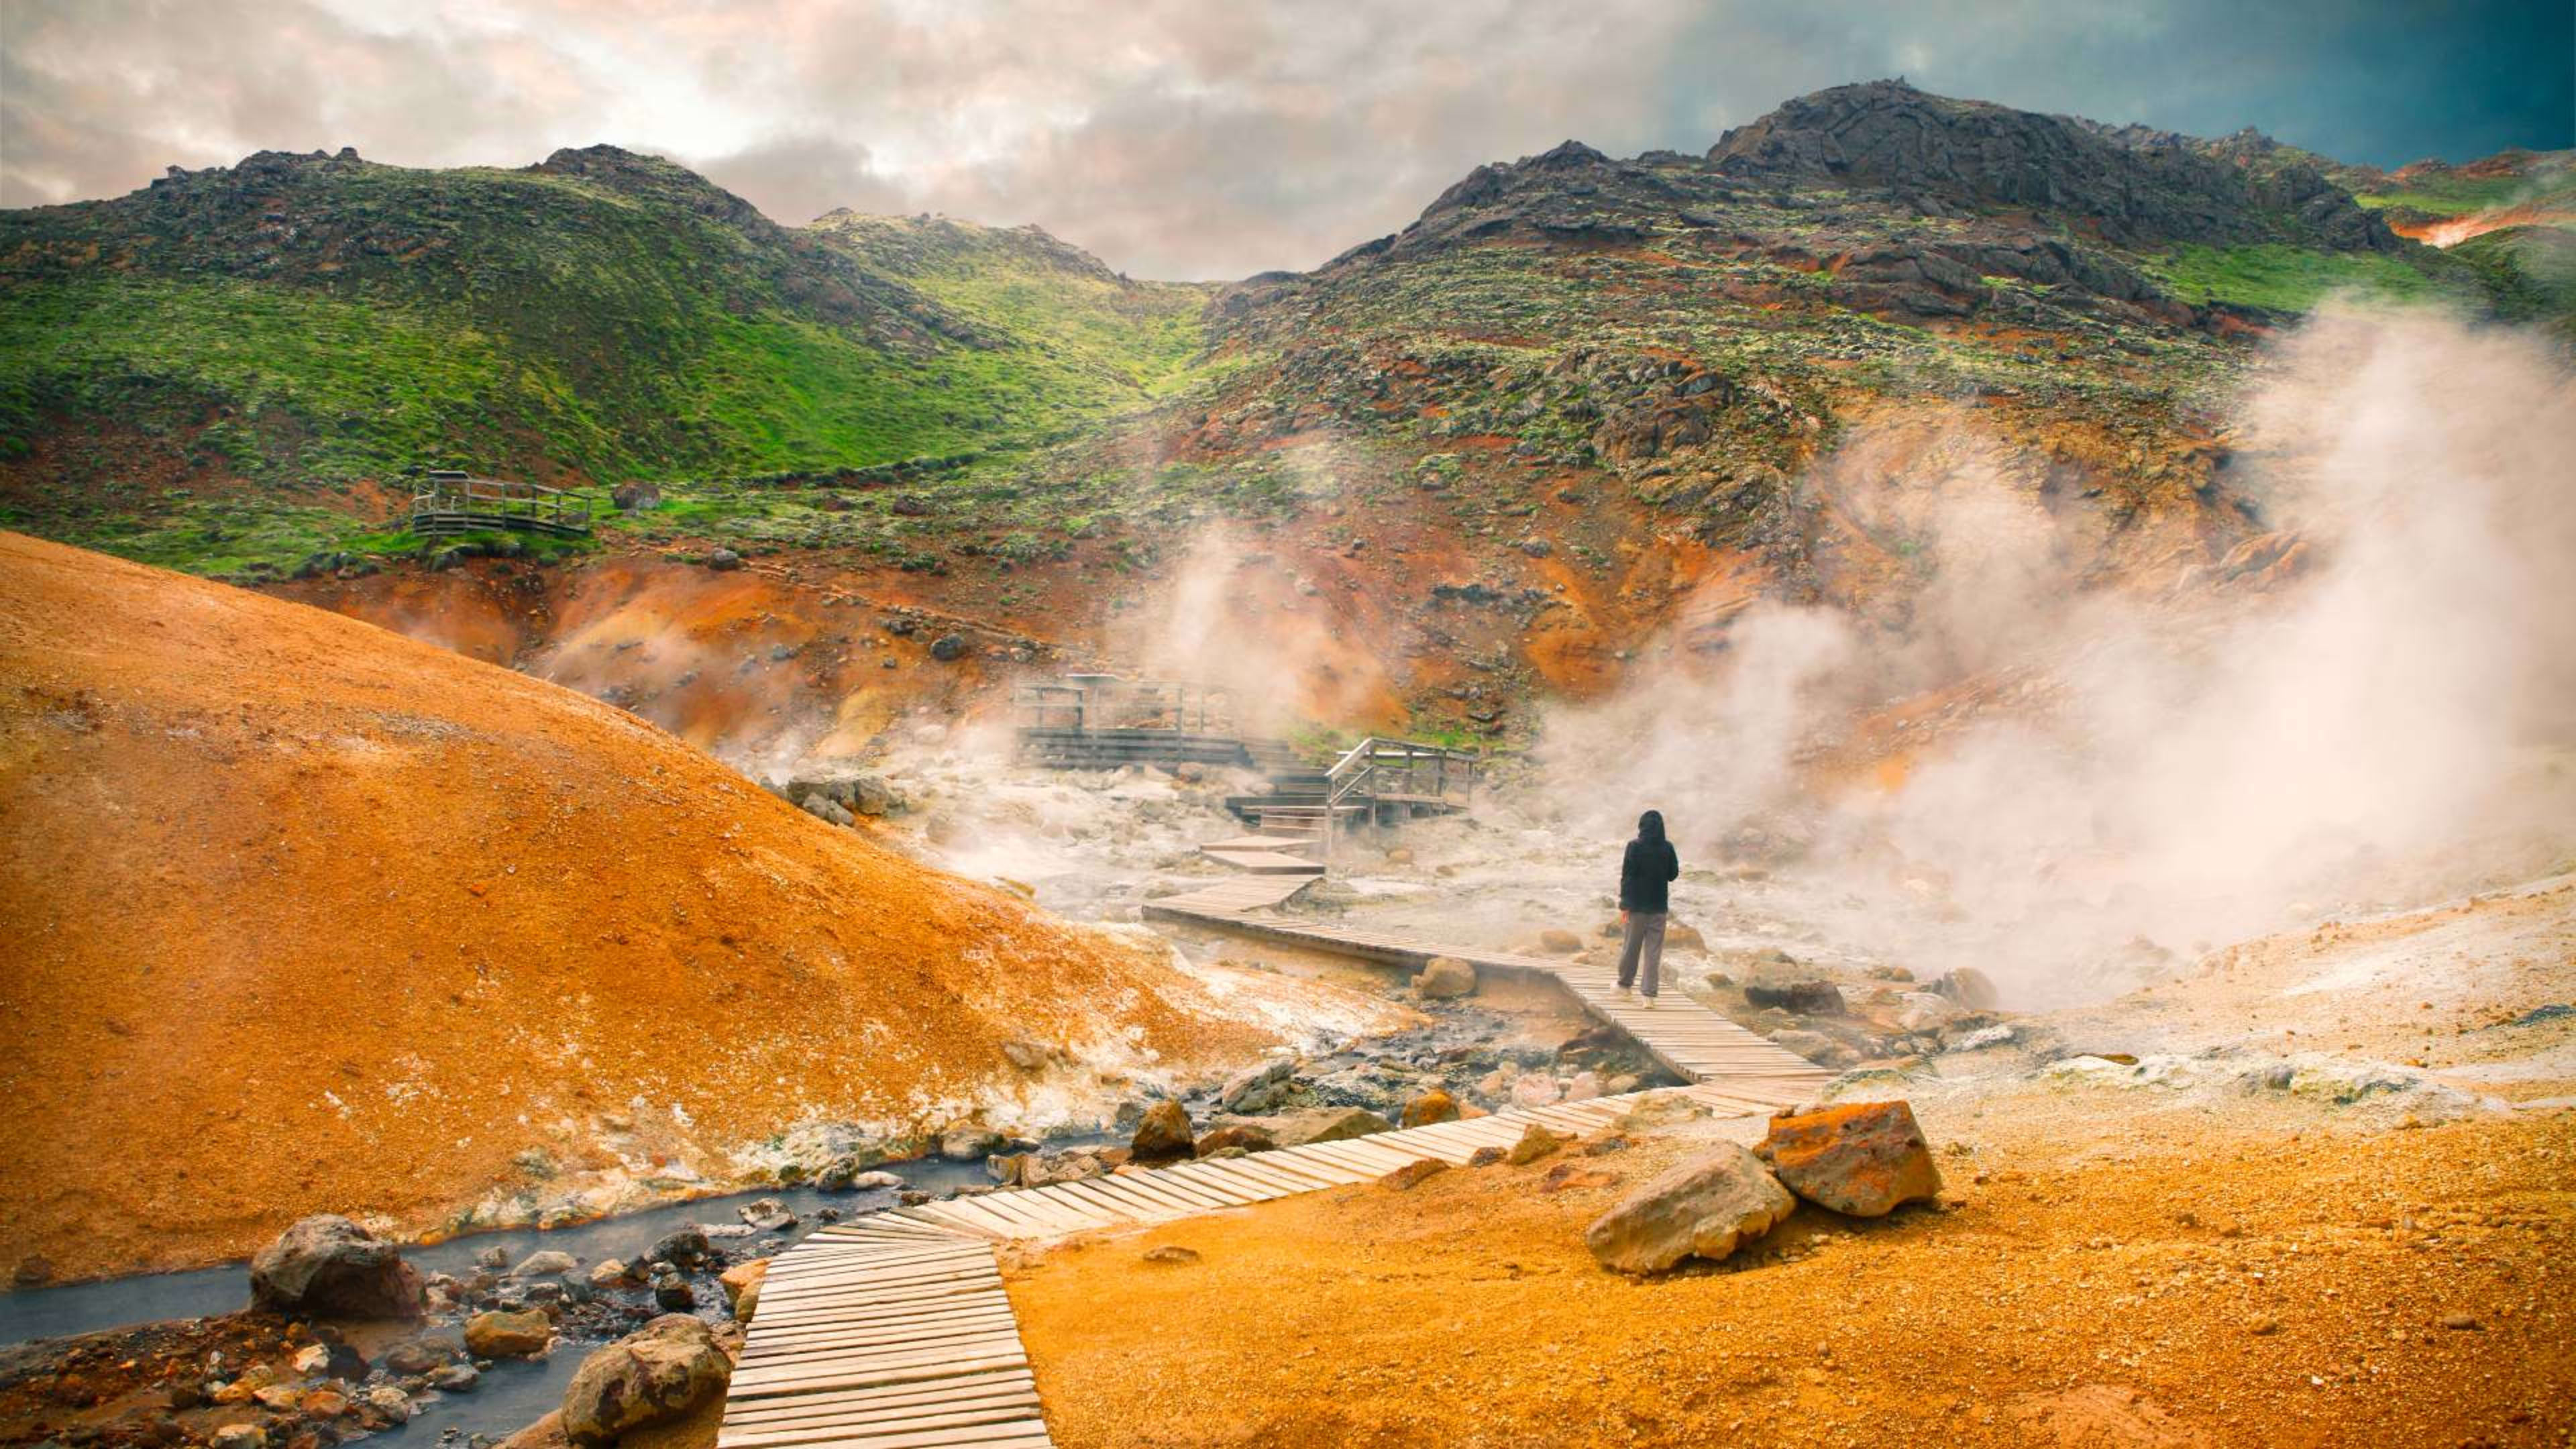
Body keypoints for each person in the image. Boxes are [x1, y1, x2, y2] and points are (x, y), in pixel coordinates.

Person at [1615, 809, 1679, 1006]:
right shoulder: (1667, 848)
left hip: (1637, 907)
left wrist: (1624, 905)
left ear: (1642, 826)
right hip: (1659, 907)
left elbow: (1628, 877)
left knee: (1631, 948)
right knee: (1653, 952)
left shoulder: (1634, 846)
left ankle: (1625, 987)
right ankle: (1649, 996)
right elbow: (1673, 874)